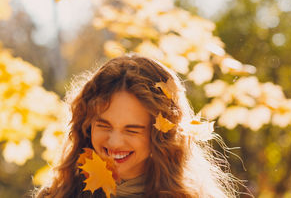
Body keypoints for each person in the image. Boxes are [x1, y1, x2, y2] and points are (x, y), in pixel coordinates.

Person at [34, 54, 239, 198]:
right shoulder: (56, 195)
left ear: (161, 135)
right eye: (104, 125)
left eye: (132, 130)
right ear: (87, 125)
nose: (114, 142)